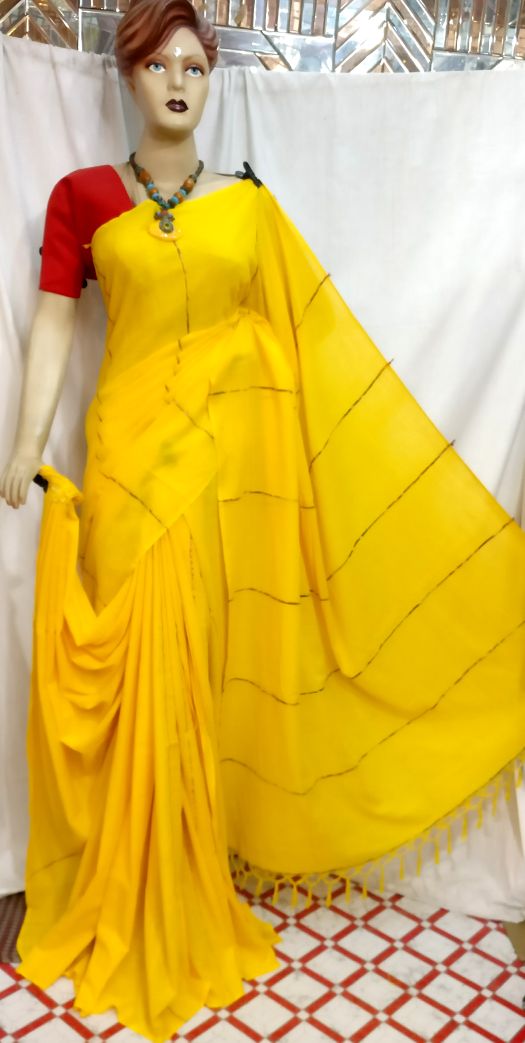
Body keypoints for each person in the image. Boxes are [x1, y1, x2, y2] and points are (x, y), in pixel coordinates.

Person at [0, 0, 524, 1038]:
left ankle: (190, 874)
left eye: (195, 67)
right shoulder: (82, 197)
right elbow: (56, 323)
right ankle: (129, 882)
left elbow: (298, 341)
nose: (179, 83)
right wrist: (23, 446)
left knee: (194, 671)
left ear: (213, 80)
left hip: (216, 481)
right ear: (128, 76)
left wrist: (256, 416)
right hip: (129, 469)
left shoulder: (246, 206)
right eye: (159, 66)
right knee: (136, 677)